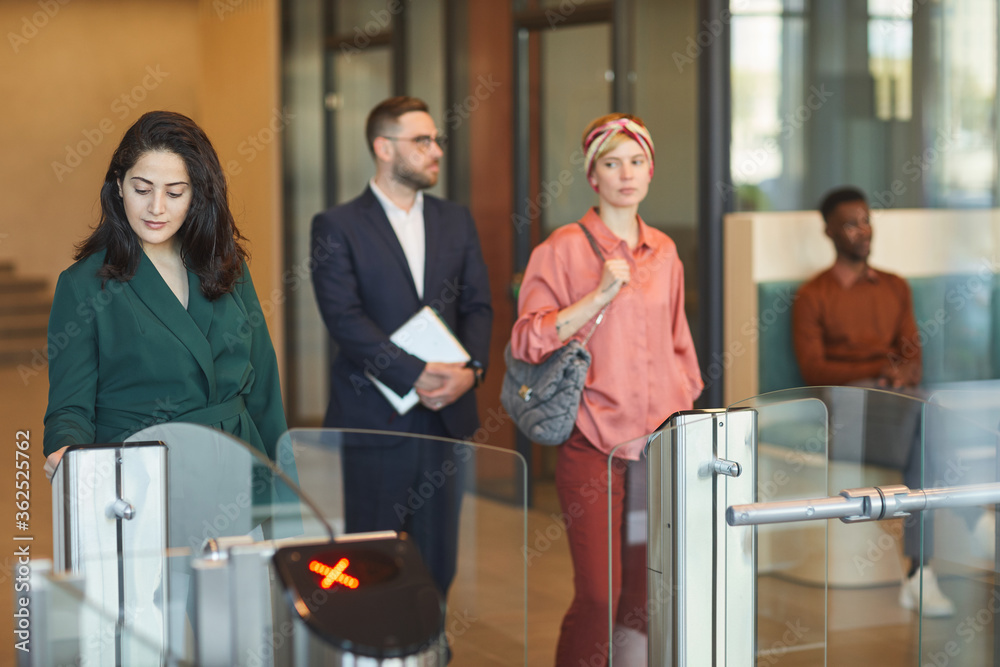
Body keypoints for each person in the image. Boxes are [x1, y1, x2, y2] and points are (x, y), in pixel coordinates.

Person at [509, 113, 702, 667]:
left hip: (658, 451)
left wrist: (682, 406)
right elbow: (526, 339)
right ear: (593, 176)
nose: (626, 174)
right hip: (593, 445)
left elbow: (680, 343)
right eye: (612, 163)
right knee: (599, 595)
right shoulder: (563, 248)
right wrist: (597, 295)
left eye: (636, 162)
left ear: (650, 171)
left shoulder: (664, 250)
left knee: (642, 592)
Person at [310, 96, 493, 596]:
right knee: (373, 557)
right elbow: (344, 320)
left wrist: (469, 371)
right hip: (374, 419)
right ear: (383, 147)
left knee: (439, 561)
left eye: (437, 139)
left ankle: (428, 647)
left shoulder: (456, 220)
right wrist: (414, 372)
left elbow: (478, 306)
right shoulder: (338, 226)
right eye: (422, 140)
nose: (436, 150)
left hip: (444, 417)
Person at [43, 110, 287, 478]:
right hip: (144, 476)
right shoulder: (83, 285)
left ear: (197, 196)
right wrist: (66, 450)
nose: (156, 208)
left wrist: (285, 497)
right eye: (142, 190)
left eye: (175, 193)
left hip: (238, 467)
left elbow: (265, 389)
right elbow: (70, 408)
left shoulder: (226, 265)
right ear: (118, 186)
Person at [792, 186, 956, 616]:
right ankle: (967, 531)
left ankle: (921, 574)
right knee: (929, 419)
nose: (863, 231)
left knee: (928, 418)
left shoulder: (895, 286)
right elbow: (813, 371)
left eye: (866, 220)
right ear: (829, 231)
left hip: (898, 399)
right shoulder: (813, 296)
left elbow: (913, 352)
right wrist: (869, 376)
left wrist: (900, 374)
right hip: (846, 406)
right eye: (850, 223)